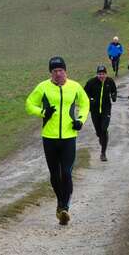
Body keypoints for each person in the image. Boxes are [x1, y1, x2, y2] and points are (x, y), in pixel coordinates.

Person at [26, 57, 89, 226]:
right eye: (55, 71)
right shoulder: (43, 87)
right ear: (50, 73)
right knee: (54, 175)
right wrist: (42, 112)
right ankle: (60, 204)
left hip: (69, 137)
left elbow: (84, 104)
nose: (58, 74)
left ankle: (64, 207)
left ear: (65, 71)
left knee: (67, 173)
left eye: (61, 70)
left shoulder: (75, 87)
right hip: (50, 138)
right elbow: (29, 104)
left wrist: (80, 120)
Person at [84, 65, 117, 162]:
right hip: (94, 110)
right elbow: (84, 93)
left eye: (103, 74)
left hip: (106, 109)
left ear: (106, 74)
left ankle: (103, 153)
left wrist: (114, 95)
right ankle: (101, 137)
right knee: (99, 132)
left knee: (104, 129)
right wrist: (90, 100)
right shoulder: (91, 82)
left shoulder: (110, 81)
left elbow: (114, 90)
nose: (101, 76)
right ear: (97, 74)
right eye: (99, 74)